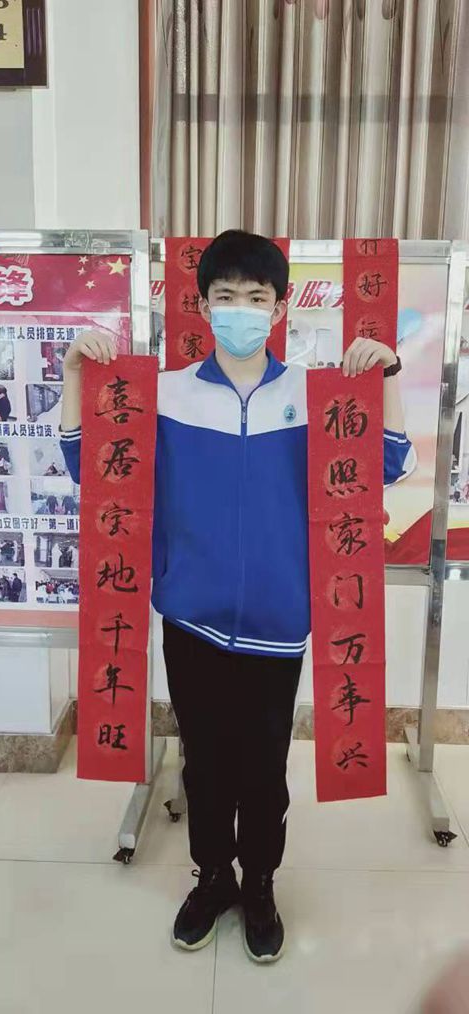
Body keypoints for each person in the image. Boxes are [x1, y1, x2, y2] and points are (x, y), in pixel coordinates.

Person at [59, 230, 414, 964]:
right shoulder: (166, 394)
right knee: (205, 763)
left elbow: (386, 463)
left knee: (264, 767)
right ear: (202, 306)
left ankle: (260, 884)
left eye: (257, 297)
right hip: (191, 620)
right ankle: (212, 877)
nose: (241, 310)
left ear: (280, 309)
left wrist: (385, 376)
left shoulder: (313, 396)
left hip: (279, 625)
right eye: (226, 296)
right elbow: (89, 467)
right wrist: (72, 373)